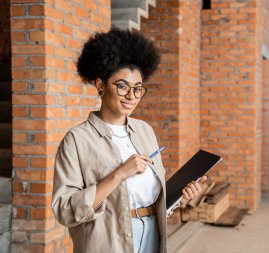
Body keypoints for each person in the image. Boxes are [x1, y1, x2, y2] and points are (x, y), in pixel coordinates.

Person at [51, 27, 206, 253]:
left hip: (153, 231)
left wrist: (180, 196)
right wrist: (119, 174)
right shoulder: (77, 140)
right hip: (107, 241)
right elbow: (65, 210)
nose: (131, 96)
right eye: (122, 86)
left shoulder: (145, 131)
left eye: (138, 88)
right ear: (101, 85)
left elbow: (149, 193)